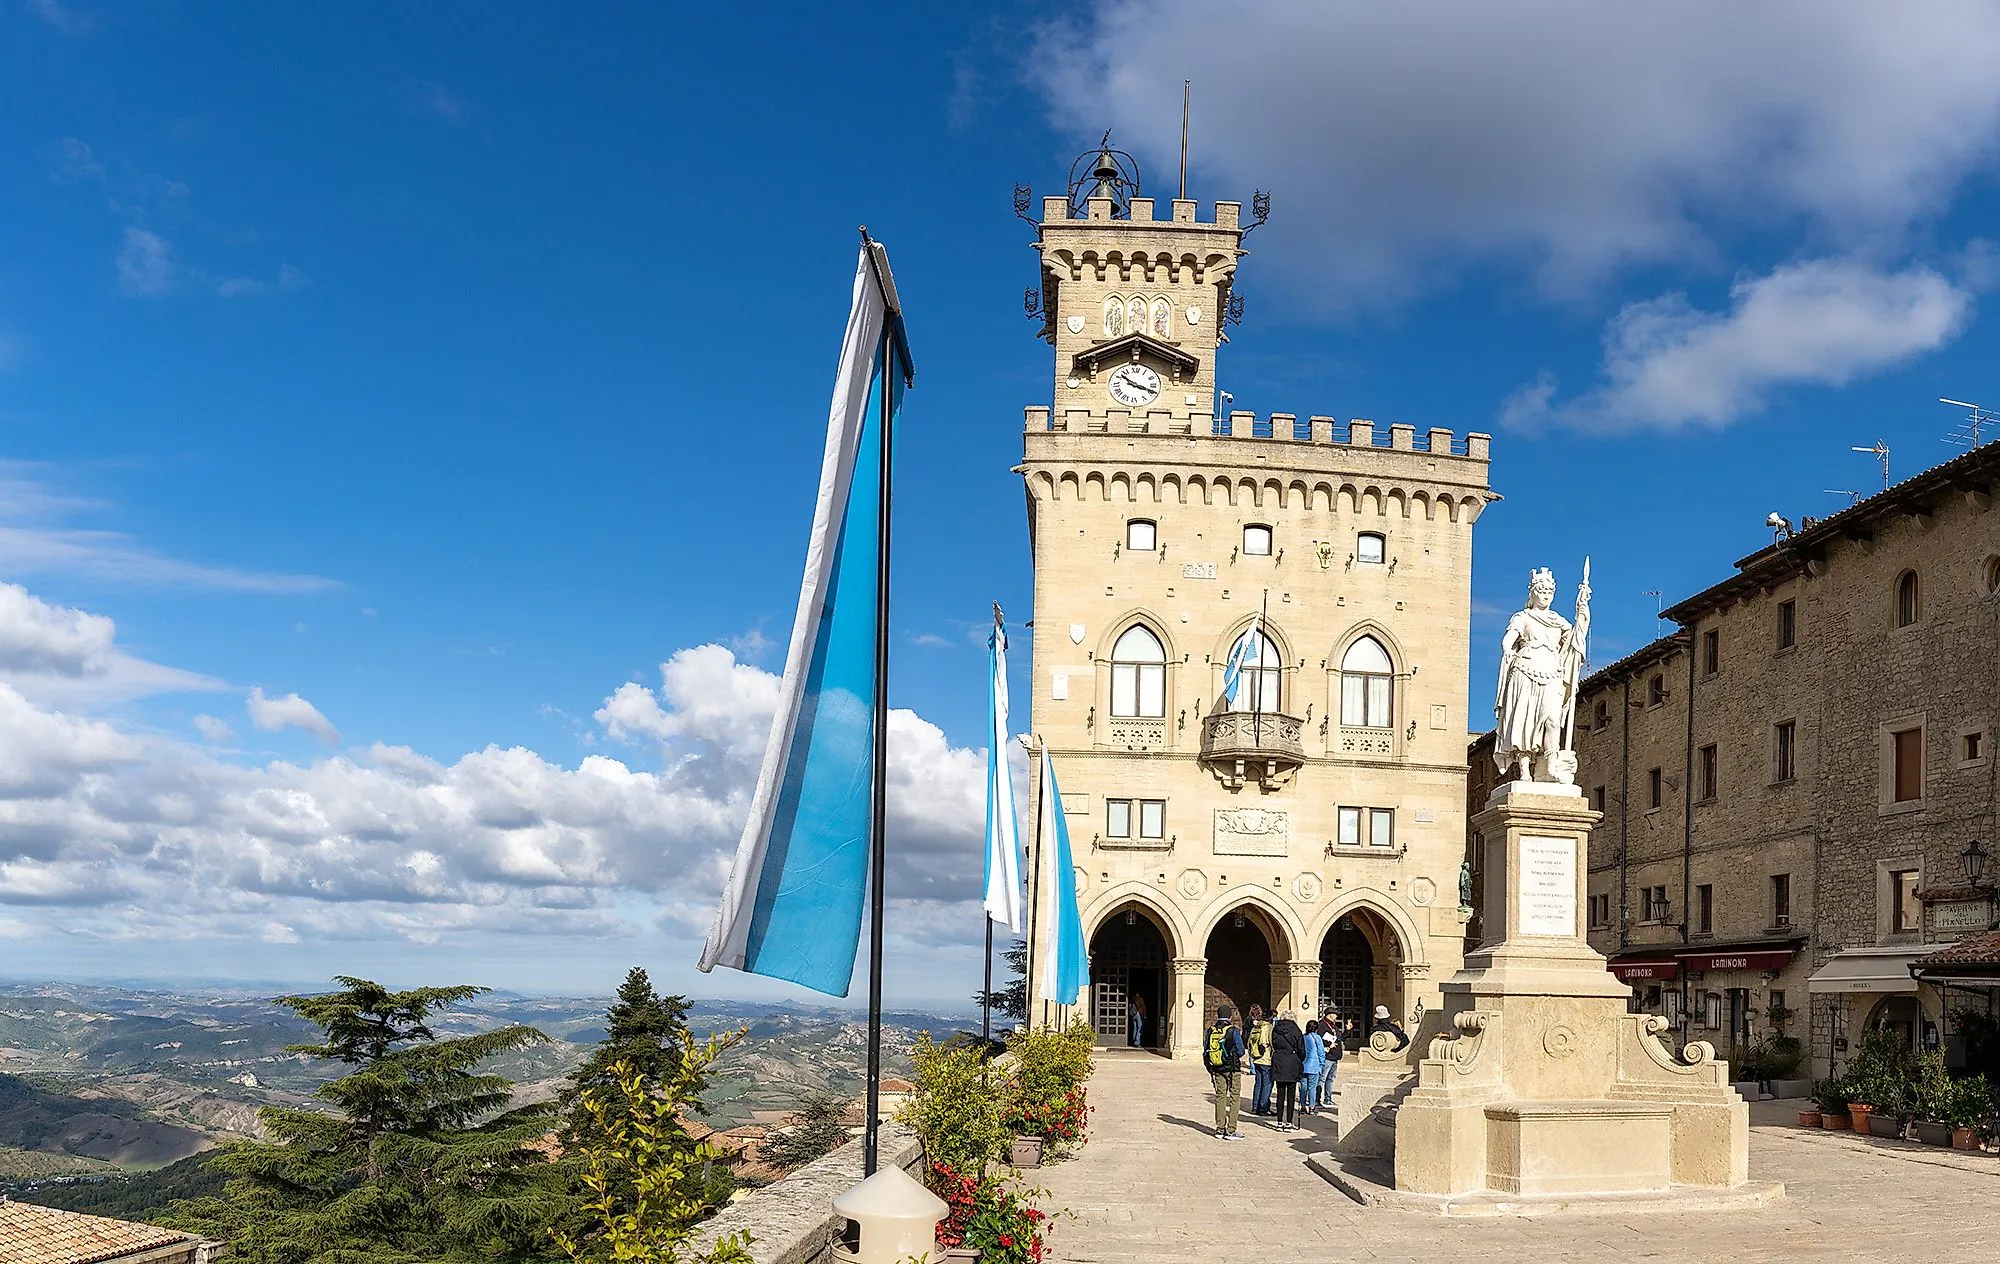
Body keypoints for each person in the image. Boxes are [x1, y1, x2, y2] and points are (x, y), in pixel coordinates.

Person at [1203, 1005, 1246, 1140]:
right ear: (1230, 1016)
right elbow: (1241, 1051)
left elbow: (1206, 1051)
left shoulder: (1211, 1030)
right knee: (1234, 1097)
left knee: (1220, 1097)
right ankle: (1231, 1129)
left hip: (1217, 1068)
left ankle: (1220, 1128)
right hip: (1232, 1069)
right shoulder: (1233, 1031)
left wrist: (1210, 1067)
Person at [1268, 1006, 1307, 1130]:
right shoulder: (1296, 1030)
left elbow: (1273, 1043)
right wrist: (1300, 1058)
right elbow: (1301, 1048)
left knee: (1280, 1093)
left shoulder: (1275, 1029)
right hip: (1292, 1061)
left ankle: (1279, 1122)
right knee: (1291, 1094)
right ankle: (1289, 1122)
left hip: (1279, 1060)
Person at [1247, 1005, 1274, 1116]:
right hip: (1266, 1059)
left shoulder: (1256, 1027)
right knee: (1267, 1084)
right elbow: (1269, 1043)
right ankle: (1263, 1108)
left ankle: (1255, 1106)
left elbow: (1249, 1042)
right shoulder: (1268, 1027)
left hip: (1256, 1058)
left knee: (1258, 1083)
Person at [1300, 1018, 1326, 1116]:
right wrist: (1321, 1064)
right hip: (1314, 1065)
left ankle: (1302, 1106)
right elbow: (1321, 1052)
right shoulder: (1317, 1038)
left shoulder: (1303, 1037)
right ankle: (1311, 1107)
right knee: (1312, 1087)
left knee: (1303, 1087)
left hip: (1303, 1065)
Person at [1319, 1007, 1343, 1109]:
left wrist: (1347, 1030)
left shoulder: (1333, 1026)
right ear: (1330, 1015)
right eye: (1335, 1014)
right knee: (1322, 1078)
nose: (1336, 1016)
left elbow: (1339, 1038)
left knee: (1331, 1079)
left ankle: (1328, 1099)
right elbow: (1320, 1039)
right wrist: (1329, 1044)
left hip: (1335, 1056)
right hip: (1327, 1055)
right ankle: (1316, 1099)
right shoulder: (1322, 1025)